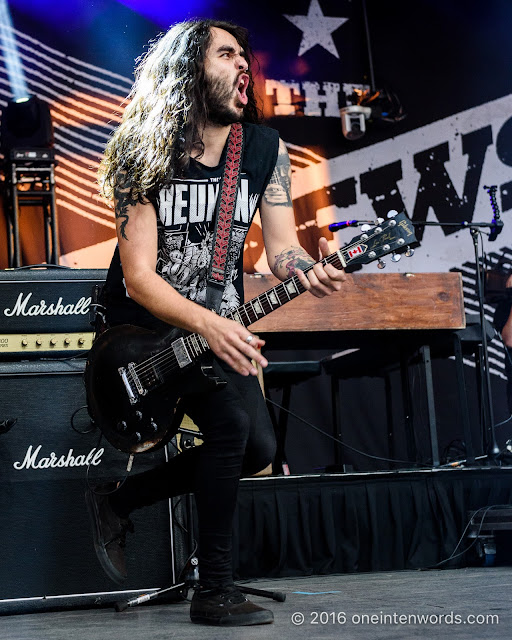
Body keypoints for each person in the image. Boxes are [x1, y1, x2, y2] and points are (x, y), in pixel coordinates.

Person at [87, 19, 346, 627]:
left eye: (245, 57)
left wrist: (307, 268)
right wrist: (209, 325)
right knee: (230, 426)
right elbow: (140, 277)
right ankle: (216, 590)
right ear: (188, 69)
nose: (243, 68)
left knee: (256, 445)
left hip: (217, 321)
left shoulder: (262, 150)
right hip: (142, 330)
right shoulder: (141, 152)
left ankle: (119, 501)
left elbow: (280, 249)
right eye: (226, 54)